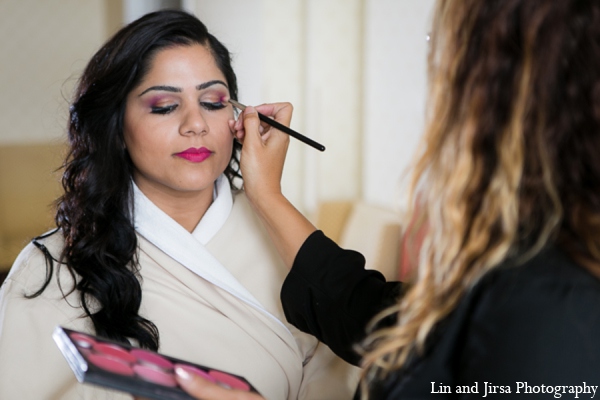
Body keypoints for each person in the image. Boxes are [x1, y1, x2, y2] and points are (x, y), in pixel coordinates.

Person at [180, 0, 600, 399]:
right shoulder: (517, 258)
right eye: (164, 105)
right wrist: (268, 195)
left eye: (443, 49)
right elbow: (377, 316)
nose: (194, 123)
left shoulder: (559, 309)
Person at [0, 10, 359, 400]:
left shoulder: (285, 241)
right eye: (165, 106)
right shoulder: (50, 269)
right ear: (117, 128)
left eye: (213, 101)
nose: (196, 124)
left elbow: (335, 378)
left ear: (238, 118)